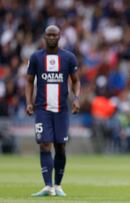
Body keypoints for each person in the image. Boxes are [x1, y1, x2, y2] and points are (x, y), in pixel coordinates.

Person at [25, 25, 81, 197]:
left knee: (61, 146)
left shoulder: (68, 57)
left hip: (61, 109)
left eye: (54, 35)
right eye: (48, 34)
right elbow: (29, 81)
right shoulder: (35, 57)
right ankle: (48, 186)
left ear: (59, 36)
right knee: (44, 144)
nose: (51, 37)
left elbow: (76, 81)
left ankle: (58, 185)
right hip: (42, 109)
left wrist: (76, 98)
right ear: (44, 36)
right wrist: (28, 102)